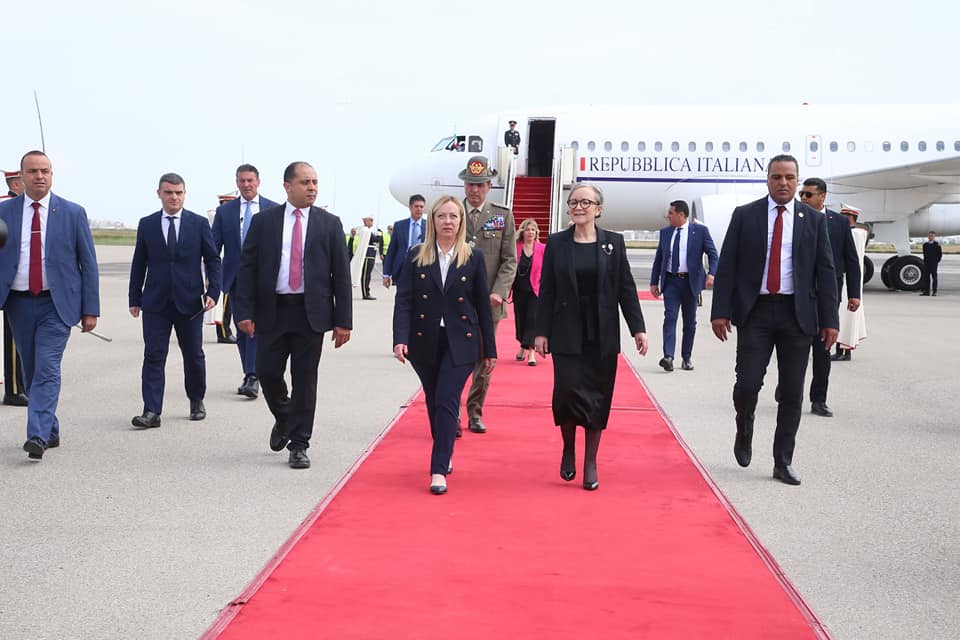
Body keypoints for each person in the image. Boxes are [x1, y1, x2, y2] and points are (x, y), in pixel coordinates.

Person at [710, 155, 839, 486]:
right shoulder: (745, 215)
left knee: (792, 392)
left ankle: (783, 461)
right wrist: (719, 311)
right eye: (777, 177)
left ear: (798, 181)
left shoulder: (813, 220)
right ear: (767, 179)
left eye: (790, 177)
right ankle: (744, 425)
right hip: (756, 312)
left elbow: (826, 271)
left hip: (797, 315)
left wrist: (830, 319)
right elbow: (728, 265)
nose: (783, 182)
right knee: (747, 384)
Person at [233, 161, 352, 470]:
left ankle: (299, 444)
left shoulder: (329, 224)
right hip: (272, 311)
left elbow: (341, 275)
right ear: (287, 186)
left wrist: (343, 321)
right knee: (267, 372)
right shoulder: (264, 222)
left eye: (315, 182)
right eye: (305, 182)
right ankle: (285, 417)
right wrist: (243, 311)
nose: (312, 188)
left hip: (310, 314)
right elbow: (247, 269)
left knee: (305, 380)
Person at [534, 184, 649, 491]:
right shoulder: (557, 243)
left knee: (598, 396)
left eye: (585, 202)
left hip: (602, 332)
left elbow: (626, 287)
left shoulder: (614, 243)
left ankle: (591, 461)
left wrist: (638, 328)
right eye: (574, 202)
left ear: (599, 209)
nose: (578, 207)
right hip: (566, 330)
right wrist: (540, 331)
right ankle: (568, 448)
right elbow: (547, 290)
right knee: (567, 393)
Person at [393, 195, 497, 495]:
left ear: (461, 221)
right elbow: (404, 301)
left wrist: (489, 350)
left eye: (453, 216)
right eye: (442, 216)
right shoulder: (417, 256)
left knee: (447, 398)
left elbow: (482, 305)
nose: (448, 221)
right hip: (424, 339)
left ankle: (438, 468)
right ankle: (445, 445)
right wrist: (400, 338)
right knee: (434, 399)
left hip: (461, 341)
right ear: (433, 221)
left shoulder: (472, 257)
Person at [0, 151, 100, 460]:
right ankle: (50, 428)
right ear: (21, 177)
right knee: (31, 370)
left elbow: (88, 263)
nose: (39, 176)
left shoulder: (72, 213)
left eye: (45, 170)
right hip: (18, 303)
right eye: (33, 171)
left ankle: (37, 435)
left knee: (46, 368)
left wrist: (90, 309)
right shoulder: (4, 212)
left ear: (52, 174)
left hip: (56, 305)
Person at [129, 173, 221, 428]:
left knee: (193, 354)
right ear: (159, 193)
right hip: (155, 302)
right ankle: (151, 411)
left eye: (179, 193)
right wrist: (134, 296)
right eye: (169, 192)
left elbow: (213, 259)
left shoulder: (198, 223)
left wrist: (214, 291)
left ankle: (196, 400)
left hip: (189, 302)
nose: (174, 197)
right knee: (153, 355)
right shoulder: (147, 224)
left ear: (185, 194)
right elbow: (139, 262)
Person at [212, 165, 279, 399]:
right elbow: (213, 248)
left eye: (250, 180)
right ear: (237, 183)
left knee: (258, 327)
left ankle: (254, 374)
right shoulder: (225, 212)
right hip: (237, 278)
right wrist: (212, 279)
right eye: (242, 181)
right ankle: (250, 373)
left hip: (266, 279)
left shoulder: (273, 209)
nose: (246, 185)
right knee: (242, 327)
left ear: (258, 181)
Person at [461, 155, 516, 434]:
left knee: (484, 360)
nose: (475, 190)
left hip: (488, 304)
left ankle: (475, 412)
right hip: (456, 303)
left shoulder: (502, 215)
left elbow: (509, 260)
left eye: (480, 185)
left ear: (489, 186)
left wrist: (498, 292)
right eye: (470, 184)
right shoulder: (451, 213)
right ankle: (450, 412)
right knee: (454, 358)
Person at [797, 178, 861, 415]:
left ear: (822, 196)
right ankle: (787, 389)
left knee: (823, 349)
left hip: (828, 294)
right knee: (794, 347)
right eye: (801, 194)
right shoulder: (795, 218)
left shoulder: (839, 222)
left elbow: (851, 259)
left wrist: (854, 294)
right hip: (800, 293)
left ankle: (818, 399)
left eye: (808, 194)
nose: (803, 199)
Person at [648, 200, 718, 372]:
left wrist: (712, 274)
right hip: (671, 282)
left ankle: (686, 357)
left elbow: (713, 254)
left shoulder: (700, 231)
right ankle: (668, 357)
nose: (668, 216)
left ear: (681, 215)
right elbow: (659, 259)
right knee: (670, 318)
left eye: (671, 213)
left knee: (689, 323)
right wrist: (654, 282)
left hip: (690, 283)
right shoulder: (665, 232)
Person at [1, 169, 27, 406]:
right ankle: (14, 389)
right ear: (16, 183)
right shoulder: (9, 207)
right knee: (14, 337)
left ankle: (20, 385)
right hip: (8, 280)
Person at [512, 218, 545, 366]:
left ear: (536, 232)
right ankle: (522, 346)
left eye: (533, 230)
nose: (530, 232)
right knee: (521, 320)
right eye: (528, 229)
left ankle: (531, 352)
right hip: (519, 289)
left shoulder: (542, 248)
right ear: (522, 232)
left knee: (532, 320)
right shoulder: (515, 247)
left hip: (535, 290)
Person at [837, 206, 868, 357]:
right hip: (852, 279)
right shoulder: (860, 234)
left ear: (849, 217)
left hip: (846, 279)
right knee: (845, 317)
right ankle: (843, 350)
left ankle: (842, 350)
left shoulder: (853, 234)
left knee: (844, 316)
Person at [382, 194, 426, 288]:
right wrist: (386, 274)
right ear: (410, 207)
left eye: (421, 207)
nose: (419, 209)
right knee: (402, 296)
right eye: (416, 206)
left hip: (423, 269)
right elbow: (391, 251)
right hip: (402, 268)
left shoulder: (429, 226)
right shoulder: (399, 226)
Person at [214, 193, 239, 345]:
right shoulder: (220, 218)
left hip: (233, 268)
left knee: (228, 305)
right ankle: (224, 333)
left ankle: (225, 331)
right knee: (224, 304)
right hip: (225, 269)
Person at [359, 216, 384, 300]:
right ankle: (365, 293)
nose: (372, 222)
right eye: (370, 220)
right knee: (365, 275)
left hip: (371, 255)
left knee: (368, 275)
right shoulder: (365, 231)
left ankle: (367, 292)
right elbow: (376, 240)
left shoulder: (368, 231)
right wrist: (379, 235)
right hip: (367, 256)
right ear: (366, 221)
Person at [921, 231, 942, 296]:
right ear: (928, 237)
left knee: (934, 277)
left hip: (933, 263)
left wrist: (936, 261)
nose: (930, 237)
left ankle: (934, 291)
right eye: (929, 236)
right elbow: (924, 254)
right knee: (926, 277)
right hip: (926, 263)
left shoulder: (937, 245)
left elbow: (940, 254)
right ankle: (926, 292)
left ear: (934, 237)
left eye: (932, 236)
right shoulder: (925, 245)